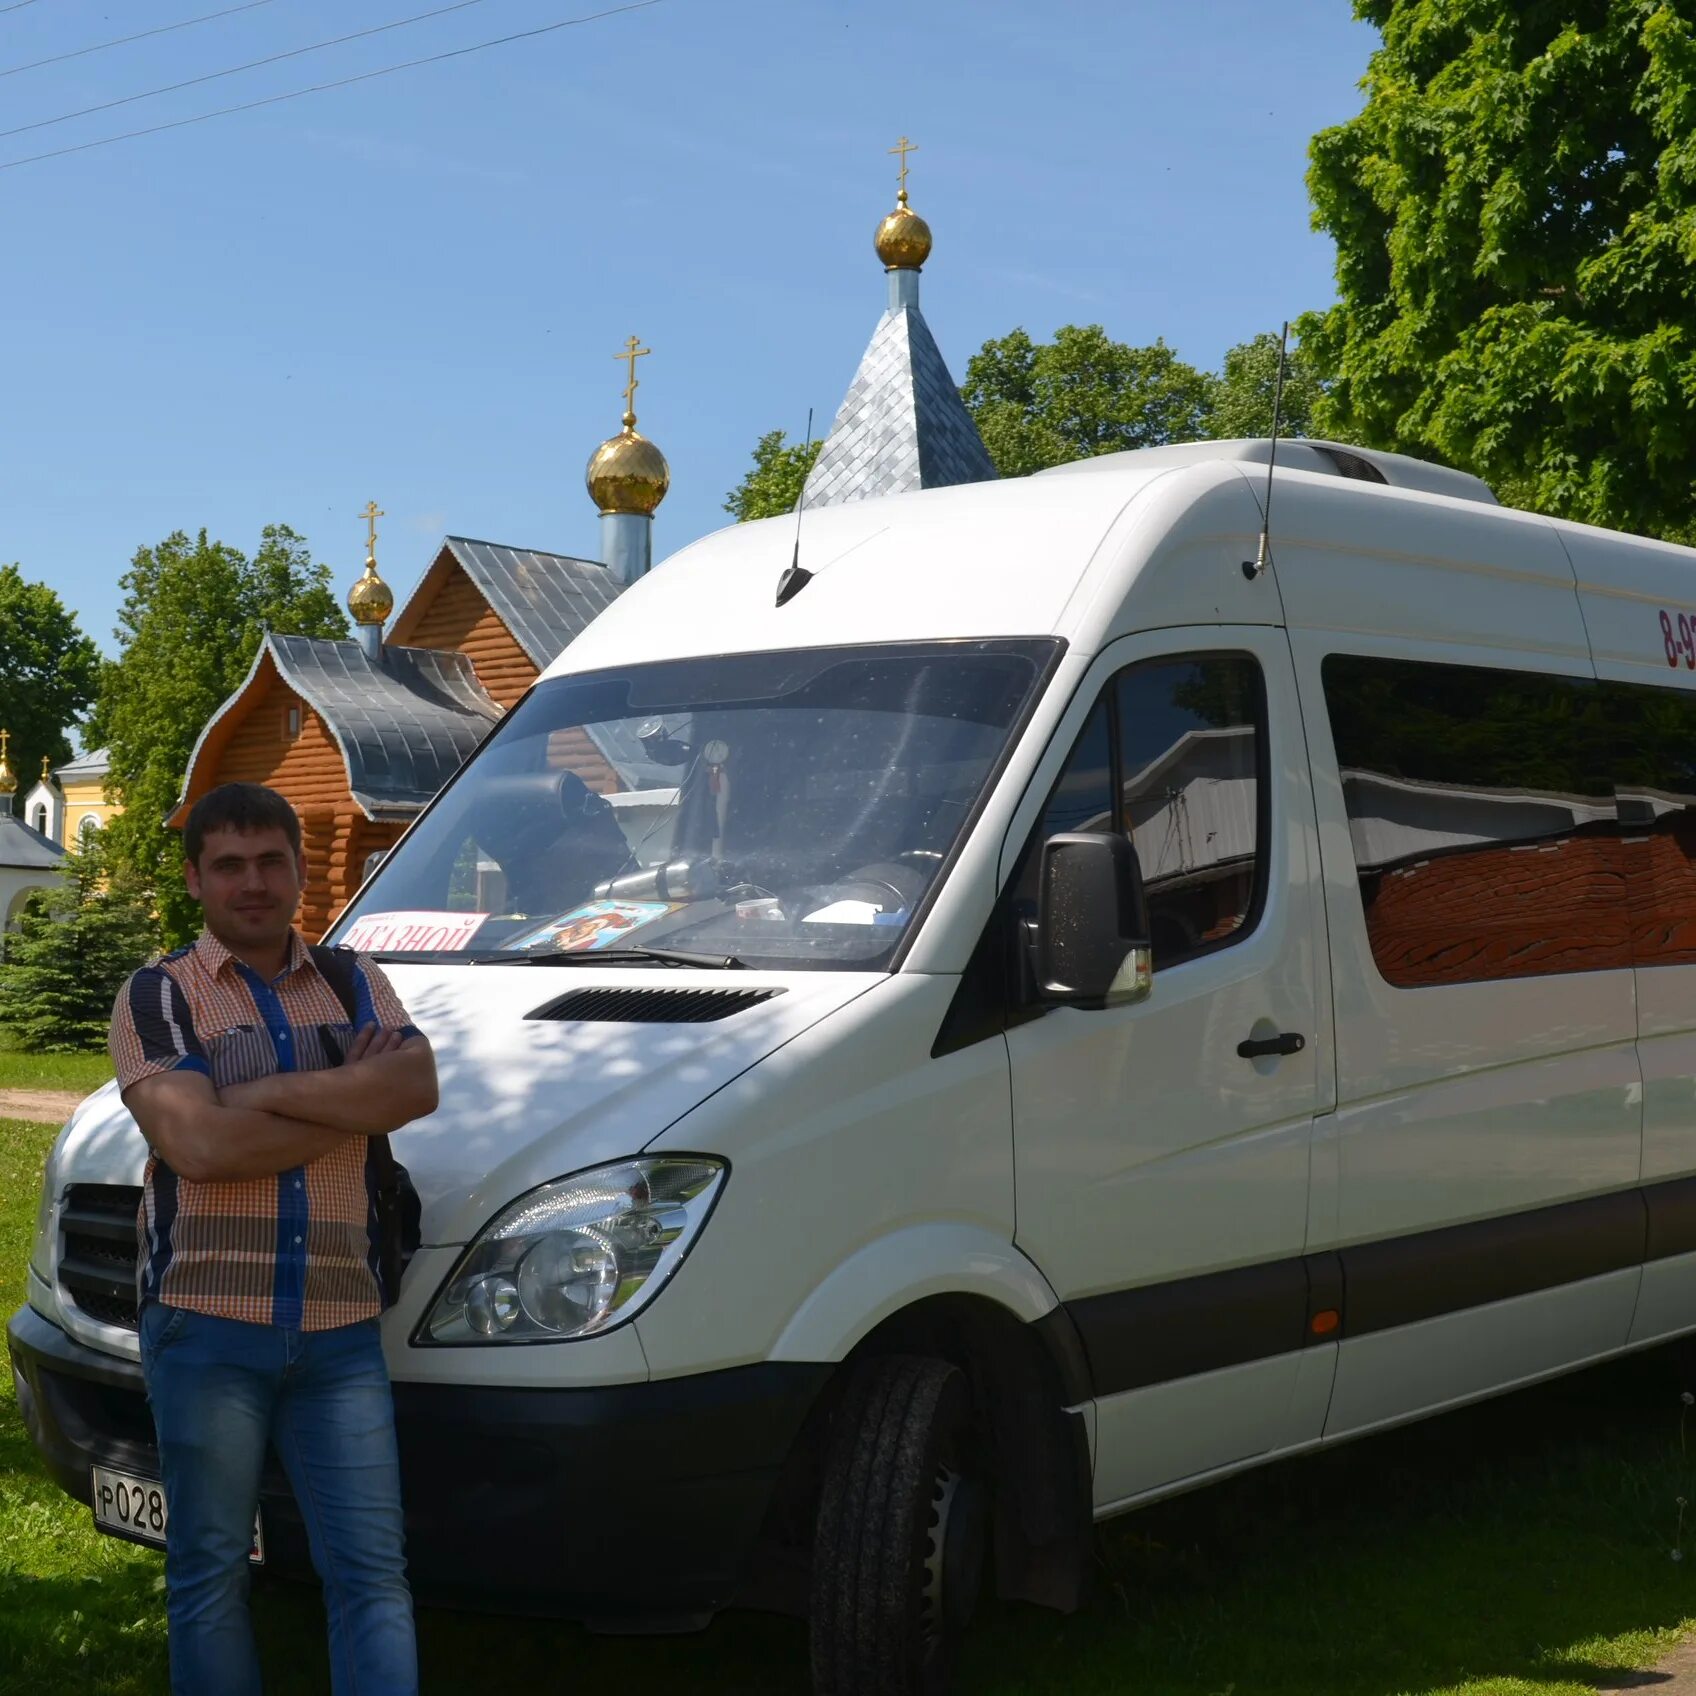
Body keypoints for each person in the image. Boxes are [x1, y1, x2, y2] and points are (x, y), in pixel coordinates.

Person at [109, 782, 439, 1696]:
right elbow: (197, 1145)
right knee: (209, 1571)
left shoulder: (353, 981)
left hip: (339, 1330)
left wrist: (247, 1094)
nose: (251, 883)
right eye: (228, 866)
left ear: (300, 872)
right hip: (207, 1327)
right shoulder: (159, 998)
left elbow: (416, 1089)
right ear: (195, 880)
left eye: (269, 862)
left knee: (373, 1576)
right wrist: (349, 1104)